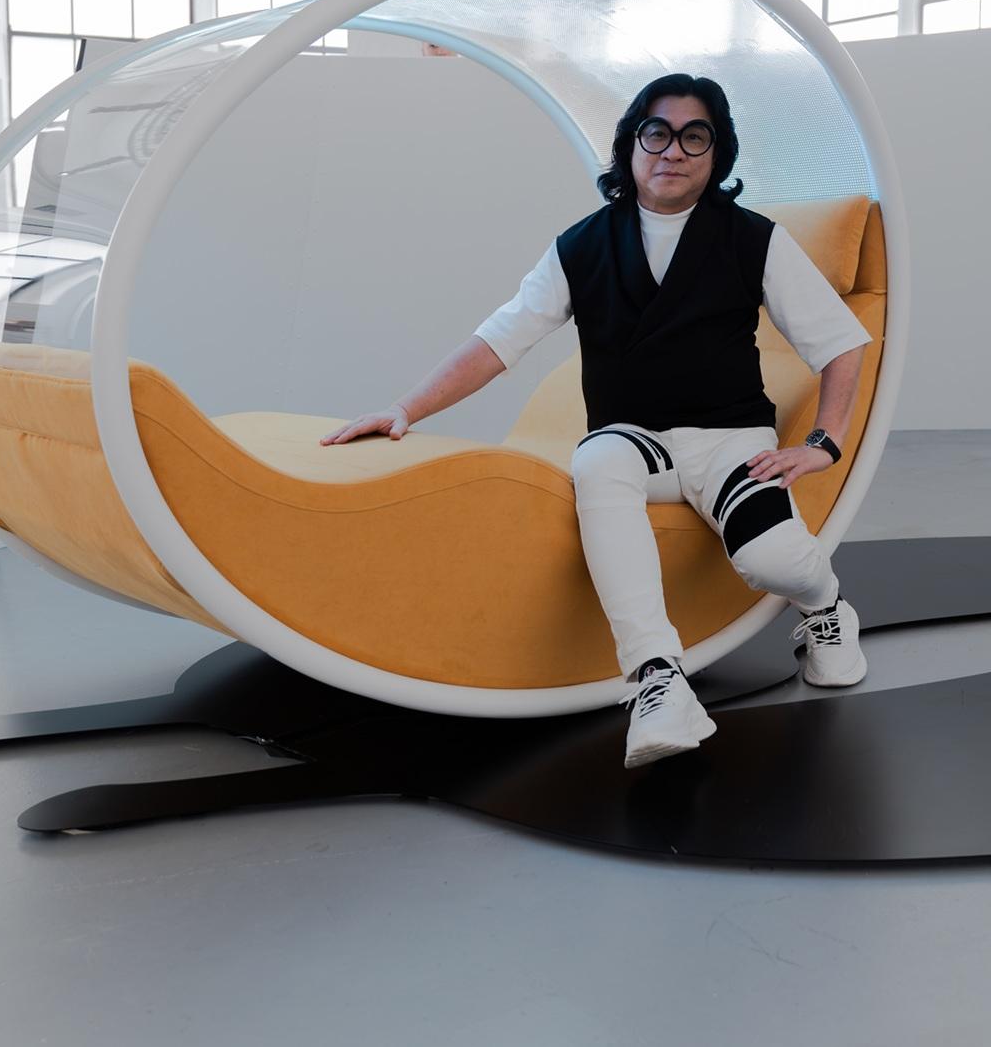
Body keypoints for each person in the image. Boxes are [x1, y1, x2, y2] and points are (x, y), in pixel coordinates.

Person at [321, 73, 872, 770]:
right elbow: (498, 342)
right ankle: (658, 680)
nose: (673, 151)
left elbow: (839, 341)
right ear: (630, 145)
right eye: (657, 133)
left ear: (717, 154)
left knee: (773, 562)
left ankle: (825, 608)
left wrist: (825, 441)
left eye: (695, 137)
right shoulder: (580, 246)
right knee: (598, 460)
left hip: (732, 441)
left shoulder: (755, 240)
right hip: (635, 438)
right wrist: (404, 409)